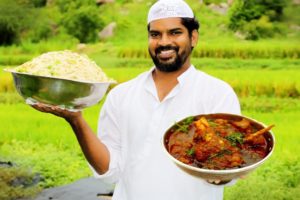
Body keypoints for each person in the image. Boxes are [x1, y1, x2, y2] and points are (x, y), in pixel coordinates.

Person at [32, 0, 241, 199]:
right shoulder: (121, 95)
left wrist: (223, 169)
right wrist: (76, 120)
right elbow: (109, 171)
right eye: (155, 34)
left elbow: (225, 173)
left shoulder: (217, 94)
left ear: (193, 38)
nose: (164, 42)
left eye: (175, 33)